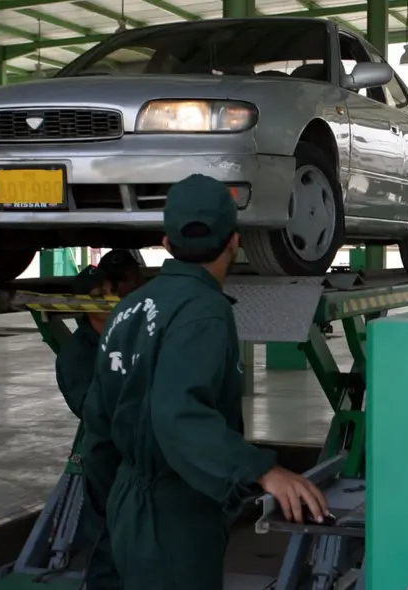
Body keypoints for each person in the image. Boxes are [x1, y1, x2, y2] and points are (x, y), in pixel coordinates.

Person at [81, 174, 330, 590]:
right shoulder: (205, 312)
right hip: (176, 511)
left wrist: (120, 506)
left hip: (129, 502)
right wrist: (262, 471)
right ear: (234, 241)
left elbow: (97, 429)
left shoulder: (130, 308)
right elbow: (177, 413)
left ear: (165, 243)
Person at [55, 250, 145, 590]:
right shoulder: (77, 354)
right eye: (97, 297)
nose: (108, 301)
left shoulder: (130, 337)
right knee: (109, 538)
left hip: (141, 454)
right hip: (110, 457)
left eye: (111, 292)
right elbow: (92, 408)